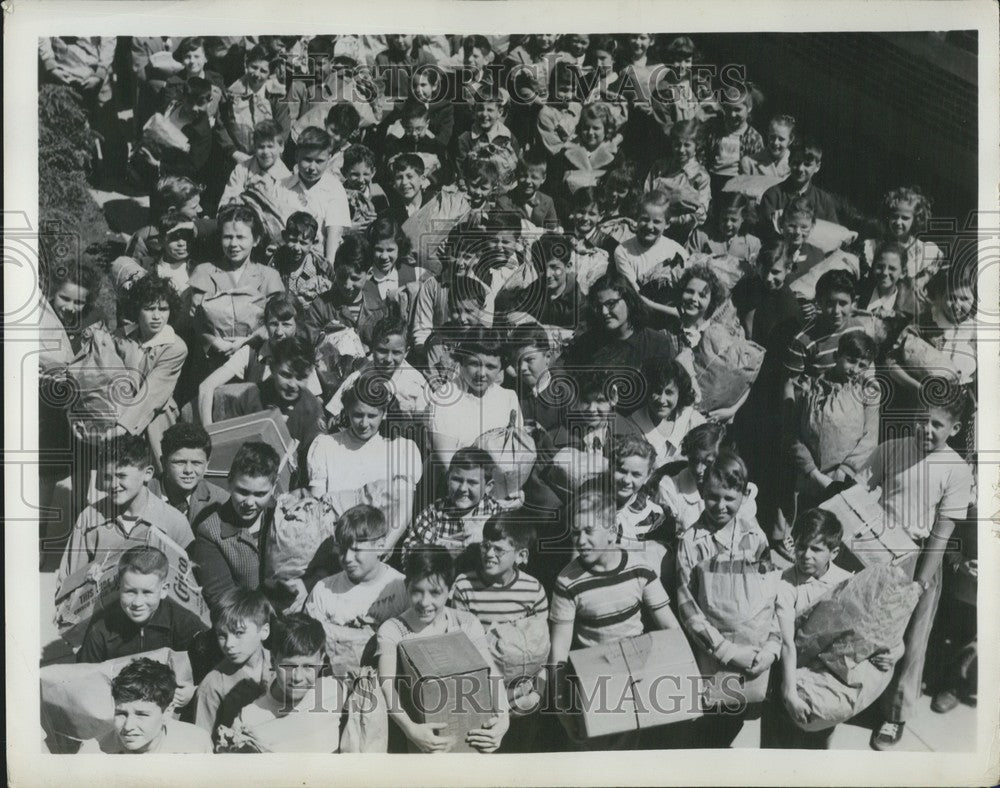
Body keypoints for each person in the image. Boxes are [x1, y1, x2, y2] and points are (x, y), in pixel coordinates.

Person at [866, 385, 975, 750]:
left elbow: (942, 533)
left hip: (922, 559)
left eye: (937, 425)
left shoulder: (956, 472)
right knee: (869, 629)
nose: (925, 430)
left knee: (912, 640)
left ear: (955, 429)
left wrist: (920, 582)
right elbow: (863, 497)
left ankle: (894, 713)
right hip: (878, 553)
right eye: (920, 420)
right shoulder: (891, 449)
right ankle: (860, 698)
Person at [548, 476, 679, 748]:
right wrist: (561, 709)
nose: (580, 540)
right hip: (593, 683)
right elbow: (558, 652)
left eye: (588, 531)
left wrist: (682, 685)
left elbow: (671, 630)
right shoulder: (568, 581)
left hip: (639, 679)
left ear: (611, 530)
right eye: (575, 533)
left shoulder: (639, 568)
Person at [761, 508, 892, 749]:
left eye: (816, 549)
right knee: (776, 745)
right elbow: (787, 642)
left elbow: (866, 631)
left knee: (816, 745)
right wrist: (788, 692)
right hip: (787, 676)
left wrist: (885, 654)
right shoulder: (786, 583)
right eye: (801, 546)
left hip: (826, 682)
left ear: (834, 552)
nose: (805, 555)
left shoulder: (847, 582)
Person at [675, 452, 779, 748]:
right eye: (713, 497)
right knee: (706, 729)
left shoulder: (755, 536)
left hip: (753, 658)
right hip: (711, 657)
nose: (720, 506)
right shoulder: (691, 543)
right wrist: (728, 651)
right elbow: (687, 607)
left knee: (734, 721)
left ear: (744, 495)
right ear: (701, 492)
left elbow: (771, 597)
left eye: (729, 498)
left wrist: (771, 648)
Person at [377, 547, 510, 753]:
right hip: (419, 738)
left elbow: (491, 673)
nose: (425, 602)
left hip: (469, 735)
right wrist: (411, 729)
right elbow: (387, 686)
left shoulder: (466, 623)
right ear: (406, 585)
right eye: (417, 591)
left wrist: (503, 719)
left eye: (435, 593)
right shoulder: (392, 630)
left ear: (450, 590)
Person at [450, 513, 550, 752]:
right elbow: (460, 645)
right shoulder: (464, 586)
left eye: (499, 550)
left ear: (522, 556)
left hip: (523, 694)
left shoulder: (533, 590)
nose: (489, 554)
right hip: (481, 692)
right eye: (485, 546)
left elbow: (541, 649)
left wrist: (539, 692)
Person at [57, 435, 194, 587]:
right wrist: (87, 576)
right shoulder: (89, 518)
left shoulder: (174, 522)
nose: (114, 484)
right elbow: (66, 584)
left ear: (147, 473)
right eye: (108, 477)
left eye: (122, 476)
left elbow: (189, 587)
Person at [306, 375, 423, 552]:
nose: (364, 423)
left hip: (379, 546)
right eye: (358, 415)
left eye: (372, 416)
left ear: (384, 414)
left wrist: (382, 549)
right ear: (347, 411)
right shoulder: (326, 445)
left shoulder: (401, 449)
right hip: (333, 546)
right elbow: (317, 507)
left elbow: (403, 509)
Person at [304, 505, 409, 676]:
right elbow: (307, 648)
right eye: (342, 550)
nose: (347, 558)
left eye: (357, 550)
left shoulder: (401, 587)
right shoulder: (324, 591)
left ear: (380, 546)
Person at [786, 332, 880, 521]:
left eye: (862, 366)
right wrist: (812, 471)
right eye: (851, 360)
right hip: (809, 476)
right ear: (837, 356)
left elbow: (870, 437)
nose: (855, 369)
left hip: (845, 478)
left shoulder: (867, 392)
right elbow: (792, 433)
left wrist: (844, 471)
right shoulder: (809, 388)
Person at [189, 203, 285, 369]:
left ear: (256, 240)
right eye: (227, 237)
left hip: (255, 358)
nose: (233, 244)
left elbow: (277, 321)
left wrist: (247, 342)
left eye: (240, 237)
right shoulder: (204, 272)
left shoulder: (269, 276)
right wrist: (216, 343)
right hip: (211, 359)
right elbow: (196, 320)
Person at [190, 441, 281, 618]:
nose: (249, 502)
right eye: (242, 491)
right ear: (229, 481)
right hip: (245, 621)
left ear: (274, 486)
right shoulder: (210, 531)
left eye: (260, 494)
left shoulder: (284, 517)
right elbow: (222, 598)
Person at [234, 612, 347, 752]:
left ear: (321, 661)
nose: (297, 677)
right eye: (289, 666)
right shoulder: (249, 719)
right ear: (273, 661)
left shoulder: (334, 691)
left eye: (308, 666)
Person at [77, 545, 207, 664]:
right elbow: (85, 679)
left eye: (147, 592)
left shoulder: (184, 623)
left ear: (164, 590)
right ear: (119, 587)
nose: (137, 603)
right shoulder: (101, 631)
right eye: (130, 592)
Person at [221, 334, 325, 478]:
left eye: (301, 378)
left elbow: (314, 462)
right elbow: (228, 442)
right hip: (244, 475)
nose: (292, 385)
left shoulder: (312, 409)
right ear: (273, 367)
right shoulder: (251, 396)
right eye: (286, 375)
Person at [110, 274, 189, 461]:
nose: (157, 316)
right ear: (137, 310)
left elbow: (152, 392)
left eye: (163, 309)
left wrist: (122, 427)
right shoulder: (120, 337)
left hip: (156, 419)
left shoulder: (175, 347)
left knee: (156, 469)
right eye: (149, 308)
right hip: (117, 414)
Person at [426, 327, 524, 467]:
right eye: (474, 363)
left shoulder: (508, 398)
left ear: (501, 368)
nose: (481, 373)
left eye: (490, 366)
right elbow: (448, 466)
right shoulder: (444, 400)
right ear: (461, 361)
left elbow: (519, 456)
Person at [79, 658, 212, 754]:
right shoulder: (95, 750)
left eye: (141, 714)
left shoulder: (196, 745)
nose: (128, 727)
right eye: (121, 714)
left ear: (167, 712)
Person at [557, 271, 678, 375]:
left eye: (611, 304)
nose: (604, 312)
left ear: (629, 301)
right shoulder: (587, 344)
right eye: (599, 306)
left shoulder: (658, 344)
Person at [401, 447, 504, 564]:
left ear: (488, 487)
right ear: (447, 479)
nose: (462, 488)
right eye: (456, 480)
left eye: (472, 482)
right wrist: (442, 552)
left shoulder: (497, 515)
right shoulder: (432, 514)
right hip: (439, 578)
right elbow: (408, 557)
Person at [195, 588, 273, 735]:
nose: (229, 643)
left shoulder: (281, 665)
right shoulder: (212, 685)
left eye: (239, 633)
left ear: (264, 631)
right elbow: (202, 742)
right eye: (222, 635)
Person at [657, 422, 759, 534]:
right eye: (694, 461)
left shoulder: (735, 488)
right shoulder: (671, 488)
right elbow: (667, 534)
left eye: (708, 462)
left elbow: (751, 533)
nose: (698, 469)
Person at [324, 315, 431, 422]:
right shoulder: (358, 377)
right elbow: (333, 414)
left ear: (406, 352)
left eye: (396, 352)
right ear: (372, 349)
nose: (388, 359)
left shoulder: (417, 384)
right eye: (382, 351)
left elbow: (424, 426)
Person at [277, 126, 352, 265]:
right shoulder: (281, 186)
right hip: (284, 258)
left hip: (319, 260)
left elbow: (334, 233)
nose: (312, 168)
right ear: (296, 156)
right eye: (307, 159)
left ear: (329, 158)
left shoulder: (334, 188)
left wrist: (328, 266)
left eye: (319, 161)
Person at [304, 231, 388, 350]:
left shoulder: (378, 309)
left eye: (355, 278)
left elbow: (385, 345)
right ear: (335, 269)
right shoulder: (320, 307)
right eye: (342, 277)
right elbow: (307, 344)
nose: (347, 285)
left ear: (369, 274)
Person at [615, 356, 705, 468]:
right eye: (656, 391)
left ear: (679, 393)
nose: (662, 400)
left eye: (669, 392)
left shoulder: (693, 420)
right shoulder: (632, 425)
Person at [612, 189, 690, 312]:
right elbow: (637, 297)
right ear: (636, 219)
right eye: (644, 219)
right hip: (644, 313)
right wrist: (675, 313)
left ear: (667, 224)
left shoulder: (675, 249)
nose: (649, 226)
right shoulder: (623, 251)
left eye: (657, 222)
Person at [860, 186, 943, 297]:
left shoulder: (923, 251)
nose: (898, 222)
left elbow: (935, 263)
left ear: (916, 219)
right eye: (894, 216)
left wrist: (923, 280)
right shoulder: (874, 247)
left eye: (905, 218)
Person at [758, 137, 840, 241]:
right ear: (789, 162)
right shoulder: (772, 196)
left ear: (817, 167)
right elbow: (765, 234)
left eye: (807, 164)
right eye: (796, 163)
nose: (800, 169)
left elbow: (834, 236)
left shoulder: (824, 200)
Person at [644, 119, 712, 241]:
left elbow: (701, 212)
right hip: (652, 225)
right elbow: (646, 193)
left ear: (697, 145)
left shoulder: (700, 176)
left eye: (687, 145)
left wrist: (673, 218)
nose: (681, 150)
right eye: (677, 144)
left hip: (682, 233)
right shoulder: (660, 167)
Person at [149, 422, 228, 526]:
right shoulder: (143, 494)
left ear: (207, 464)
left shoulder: (220, 501)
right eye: (180, 462)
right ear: (163, 463)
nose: (188, 470)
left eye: (197, 463)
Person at [698, 83, 764, 197]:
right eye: (728, 109)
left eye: (738, 110)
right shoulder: (715, 130)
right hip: (712, 180)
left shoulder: (753, 138)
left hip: (737, 185)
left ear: (749, 108)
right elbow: (702, 155)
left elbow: (757, 169)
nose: (732, 114)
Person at [218, 119, 292, 209]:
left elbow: (284, 211)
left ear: (281, 147)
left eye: (270, 146)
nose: (265, 152)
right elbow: (226, 204)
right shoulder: (241, 169)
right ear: (254, 147)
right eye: (261, 147)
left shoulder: (286, 178)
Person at [266, 211, 331, 311]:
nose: (297, 247)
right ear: (284, 236)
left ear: (313, 243)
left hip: (314, 321)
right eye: (293, 240)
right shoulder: (275, 265)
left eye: (303, 243)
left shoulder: (322, 268)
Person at [685, 192, 761, 270]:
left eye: (733, 220)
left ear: (743, 218)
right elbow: (686, 264)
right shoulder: (701, 236)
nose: (728, 224)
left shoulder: (753, 244)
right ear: (718, 215)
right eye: (724, 219)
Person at [497, 147, 560, 230]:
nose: (528, 181)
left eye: (534, 177)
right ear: (517, 175)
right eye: (523, 176)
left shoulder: (547, 202)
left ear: (543, 179)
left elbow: (552, 231)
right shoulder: (504, 202)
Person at [856, 240, 918, 319]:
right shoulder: (858, 298)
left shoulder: (909, 311)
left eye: (892, 268)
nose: (885, 273)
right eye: (880, 266)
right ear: (873, 266)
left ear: (903, 273)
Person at [342, 144, 389, 231]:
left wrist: (378, 221)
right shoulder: (338, 194)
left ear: (373, 172)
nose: (361, 180)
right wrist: (347, 229)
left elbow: (387, 223)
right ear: (344, 172)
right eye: (355, 174)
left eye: (366, 174)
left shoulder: (378, 194)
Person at [740, 113, 796, 178]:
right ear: (768, 135)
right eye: (772, 137)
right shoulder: (749, 163)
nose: (775, 142)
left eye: (781, 139)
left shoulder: (795, 164)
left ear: (790, 140)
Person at [385, 152, 431, 227]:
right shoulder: (391, 215)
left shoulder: (434, 205)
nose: (404, 182)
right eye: (399, 177)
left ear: (422, 179)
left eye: (409, 176)